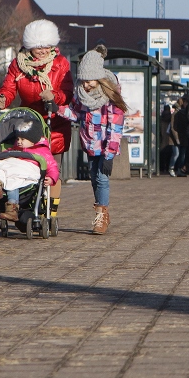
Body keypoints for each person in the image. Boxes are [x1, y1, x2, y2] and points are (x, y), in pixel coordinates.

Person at [0, 19, 74, 219]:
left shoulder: (61, 63)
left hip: (53, 121)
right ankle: (23, 205)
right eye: (38, 46)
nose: (42, 50)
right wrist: (3, 98)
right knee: (23, 165)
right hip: (28, 121)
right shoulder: (18, 64)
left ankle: (50, 212)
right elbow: (10, 87)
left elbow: (67, 92)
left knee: (52, 170)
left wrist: (54, 96)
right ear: (29, 46)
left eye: (46, 46)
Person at [52, 45, 127, 235]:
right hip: (90, 144)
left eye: (89, 81)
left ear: (99, 77)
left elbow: (115, 128)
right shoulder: (82, 95)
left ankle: (101, 217)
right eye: (83, 80)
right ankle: (103, 211)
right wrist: (57, 109)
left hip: (105, 146)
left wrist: (109, 155)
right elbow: (76, 114)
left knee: (101, 178)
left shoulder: (110, 96)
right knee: (94, 179)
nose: (85, 85)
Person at [0, 117, 59, 223]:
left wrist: (51, 178)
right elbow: (1, 155)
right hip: (11, 172)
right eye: (18, 139)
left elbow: (52, 166)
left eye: (22, 139)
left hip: (25, 176)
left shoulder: (42, 151)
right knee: (0, 169)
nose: (19, 142)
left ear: (33, 140)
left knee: (13, 180)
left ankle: (12, 209)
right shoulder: (15, 149)